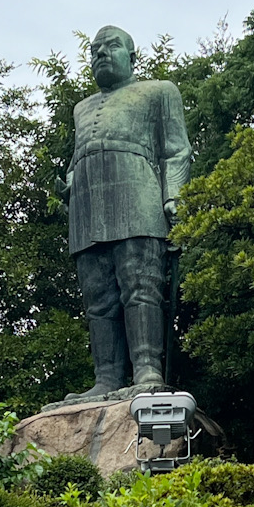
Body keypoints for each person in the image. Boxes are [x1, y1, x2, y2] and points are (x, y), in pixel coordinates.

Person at [57, 25, 191, 402]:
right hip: (87, 208)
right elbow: (75, 157)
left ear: (132, 57)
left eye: (110, 46)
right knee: (98, 296)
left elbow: (177, 151)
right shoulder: (81, 108)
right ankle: (106, 377)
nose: (100, 53)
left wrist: (174, 195)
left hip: (138, 197)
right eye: (94, 49)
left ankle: (147, 368)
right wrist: (68, 181)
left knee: (141, 285)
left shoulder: (159, 92)